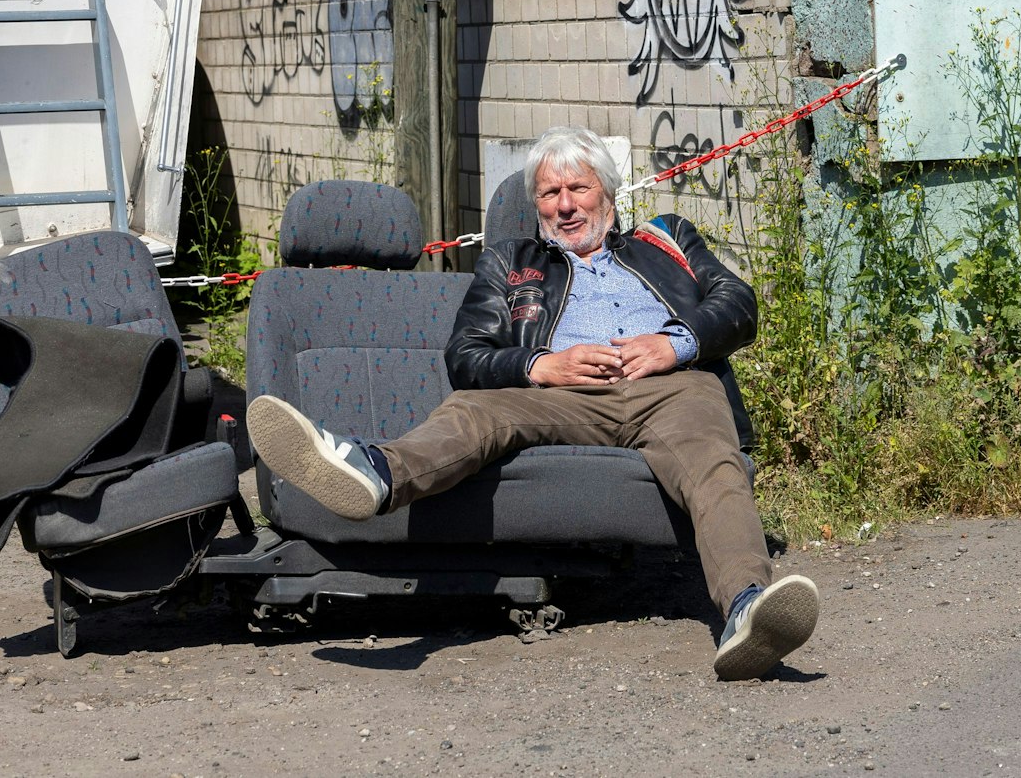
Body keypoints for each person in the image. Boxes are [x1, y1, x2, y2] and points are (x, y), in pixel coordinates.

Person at [246, 125, 819, 680]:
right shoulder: (509, 263)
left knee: (711, 455)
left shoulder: (667, 238)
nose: (565, 205)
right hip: (561, 395)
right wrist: (539, 365)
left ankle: (746, 610)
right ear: (536, 205)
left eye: (579, 188)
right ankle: (373, 473)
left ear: (608, 192)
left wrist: (673, 344)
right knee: (478, 408)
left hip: (670, 388)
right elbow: (464, 357)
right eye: (550, 193)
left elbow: (737, 302)